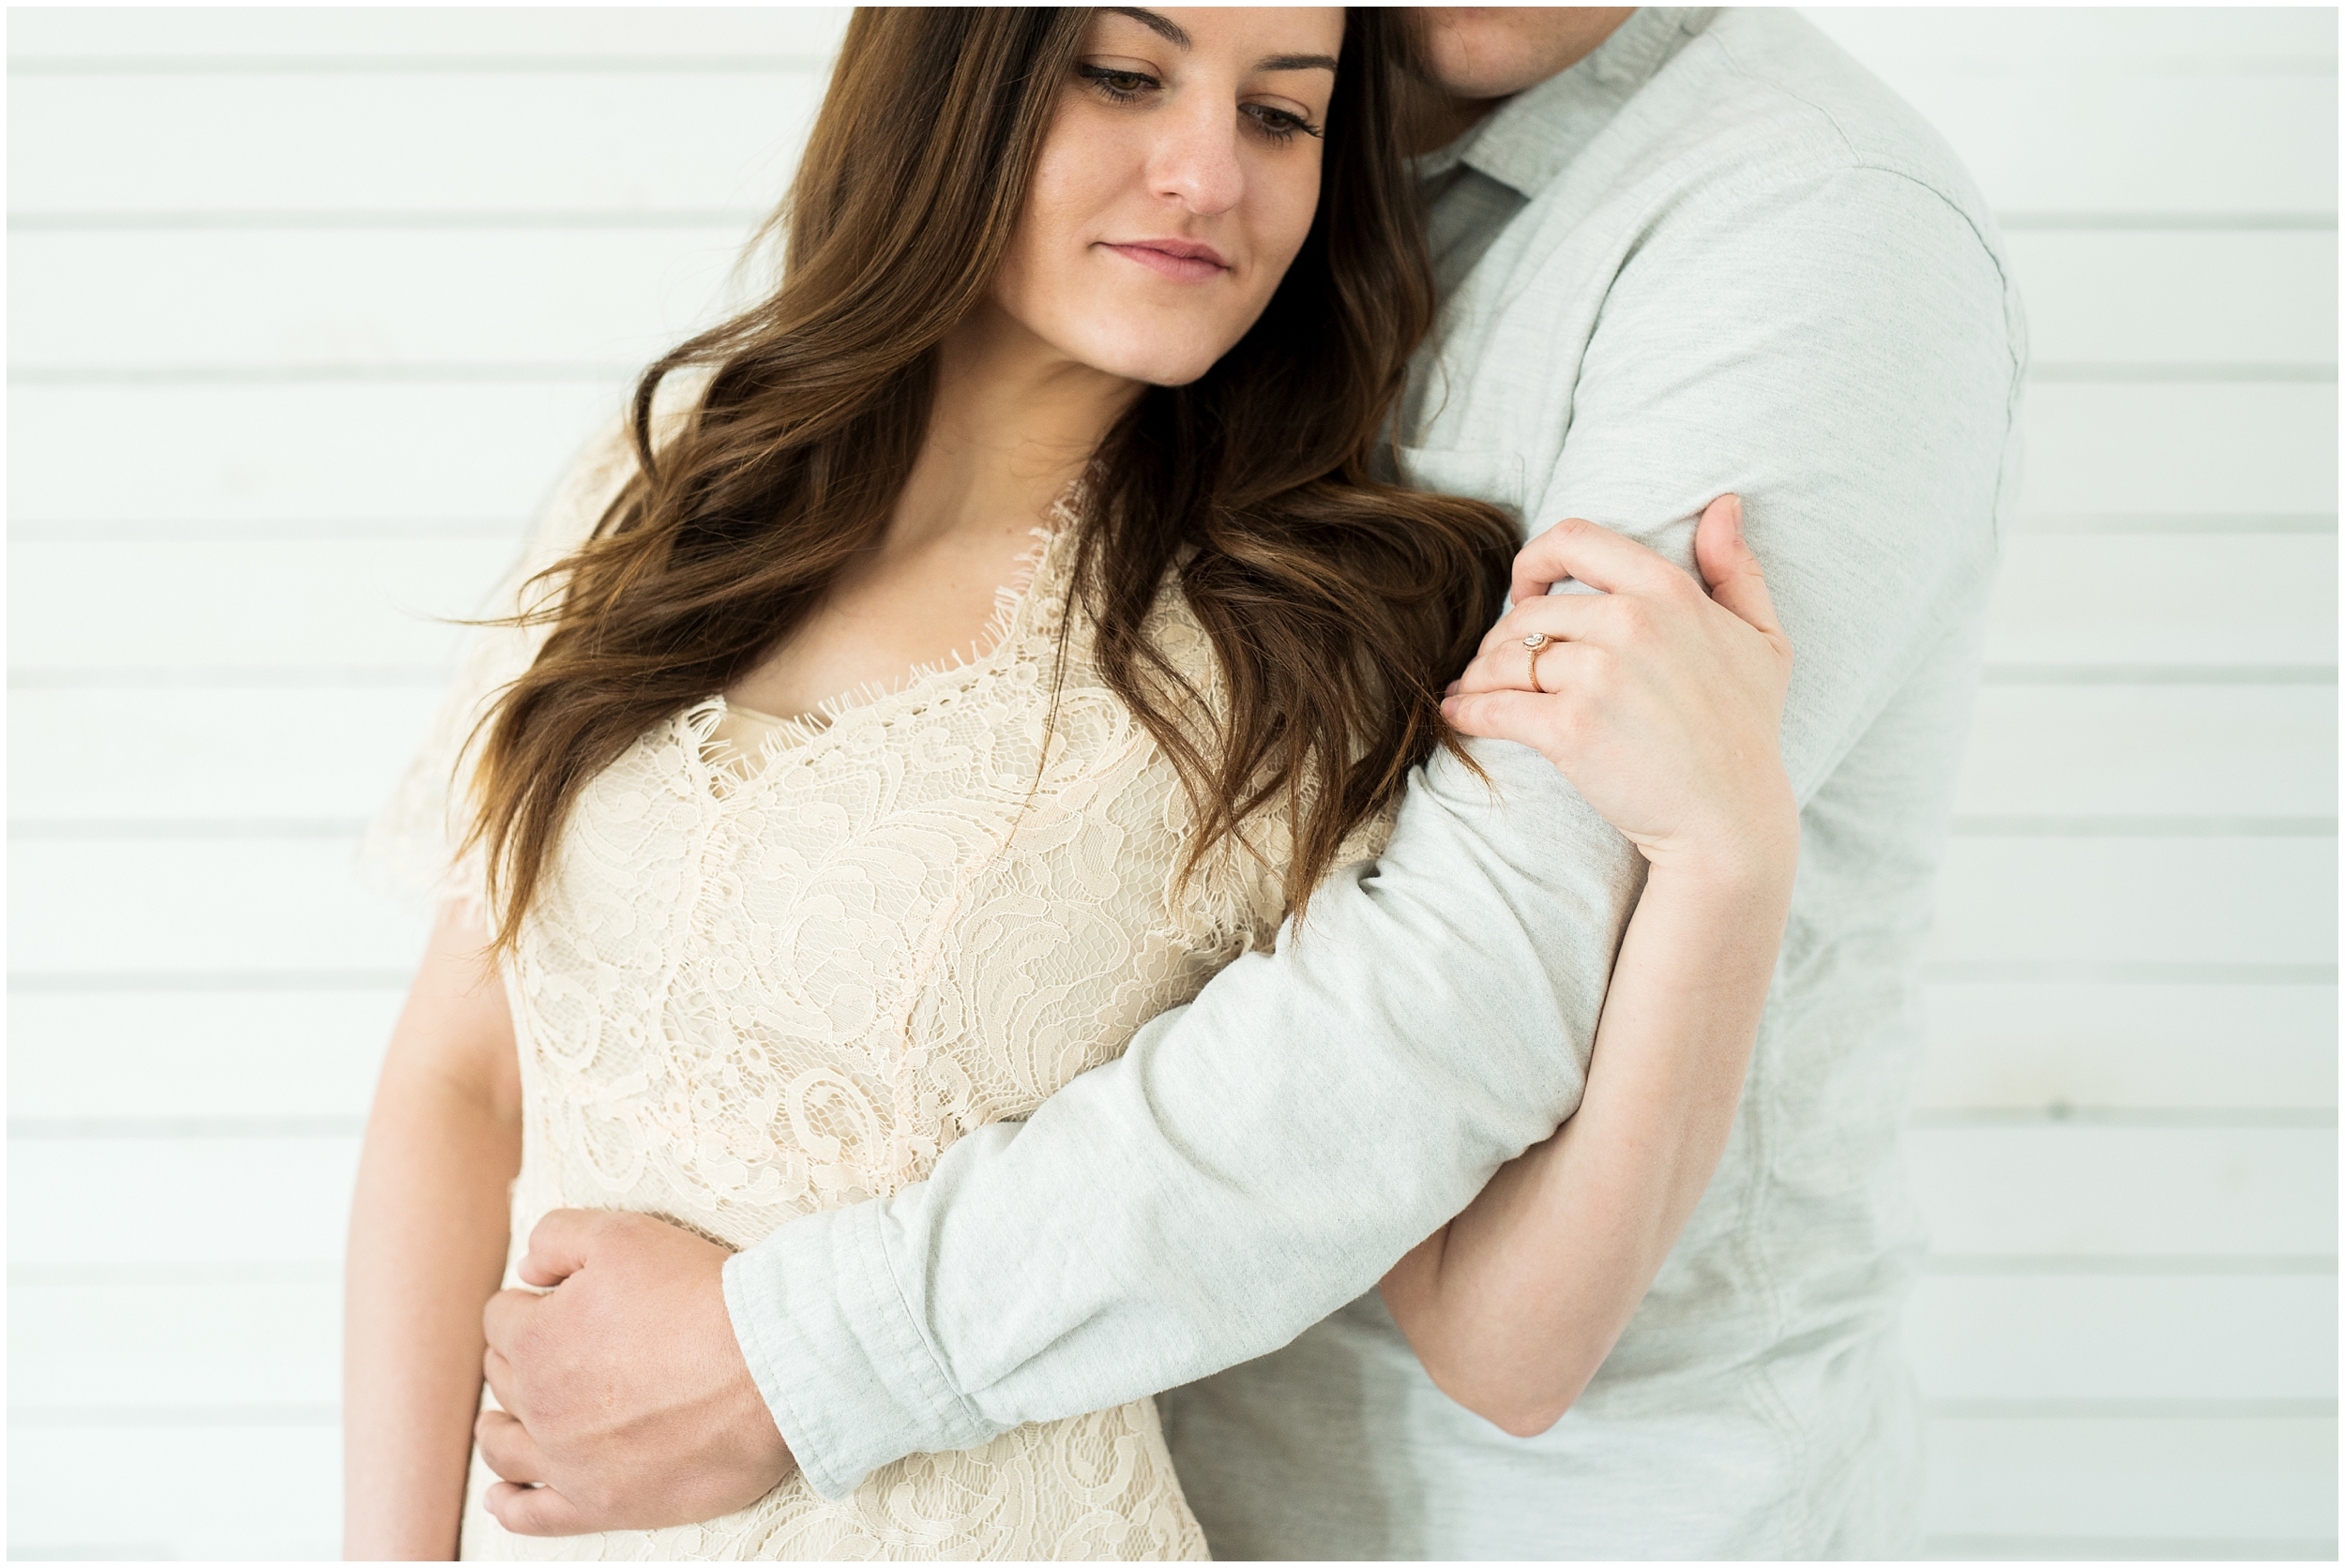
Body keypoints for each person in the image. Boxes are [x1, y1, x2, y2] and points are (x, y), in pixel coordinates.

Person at [459, 6, 2025, 1559]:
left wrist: (1730, 859)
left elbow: (1471, 1018)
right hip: (1172, 1464)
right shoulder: (691, 483)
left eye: (1282, 116)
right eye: (1130, 78)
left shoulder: (1795, 232)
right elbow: (464, 1069)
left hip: (1536, 1514)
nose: (1206, 173)